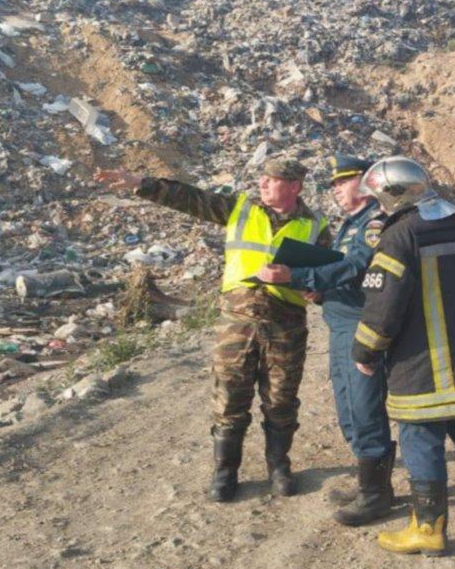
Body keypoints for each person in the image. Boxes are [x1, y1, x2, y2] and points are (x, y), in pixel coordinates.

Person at [95, 159, 330, 502]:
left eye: (272, 179)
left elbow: (324, 276)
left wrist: (313, 288)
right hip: (237, 322)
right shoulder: (241, 209)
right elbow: (189, 198)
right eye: (262, 178)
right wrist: (140, 182)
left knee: (280, 399)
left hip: (286, 324)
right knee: (230, 395)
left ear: (294, 186)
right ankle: (225, 472)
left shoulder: (315, 226)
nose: (262, 184)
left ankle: (279, 467)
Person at [350, 156, 455, 557]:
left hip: (421, 368)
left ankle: (429, 530)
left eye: (379, 198)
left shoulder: (401, 237)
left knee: (420, 439)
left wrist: (365, 351)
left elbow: (383, 307)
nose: (377, 206)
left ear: (392, 194)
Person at [256, 155, 396, 526]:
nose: (335, 189)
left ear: (366, 182)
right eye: (332, 183)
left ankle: (377, 494)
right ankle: (371, 481)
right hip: (338, 321)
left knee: (365, 409)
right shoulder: (351, 224)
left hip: (359, 324)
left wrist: (298, 275)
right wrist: (317, 289)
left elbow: (356, 266)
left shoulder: (373, 222)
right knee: (348, 407)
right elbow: (343, 272)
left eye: (342, 181)